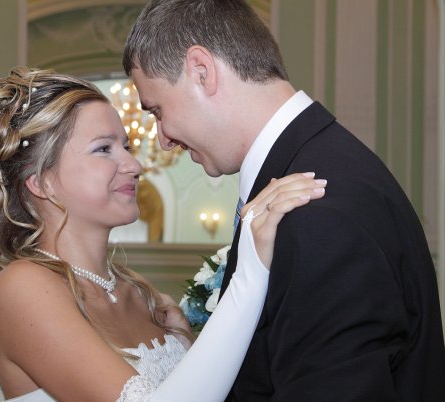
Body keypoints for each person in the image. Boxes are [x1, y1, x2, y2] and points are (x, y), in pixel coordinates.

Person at [0, 67, 326, 402]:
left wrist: (188, 339)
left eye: (126, 146)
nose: (133, 164)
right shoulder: (23, 288)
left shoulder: (139, 293)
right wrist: (250, 273)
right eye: (103, 149)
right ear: (42, 182)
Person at [122, 0, 445, 401]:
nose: (163, 139)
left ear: (201, 71)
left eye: (157, 110)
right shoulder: (318, 168)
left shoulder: (317, 213)